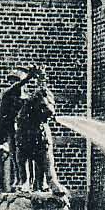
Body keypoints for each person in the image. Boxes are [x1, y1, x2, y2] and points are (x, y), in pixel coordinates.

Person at [13, 64, 68, 197]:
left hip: (40, 132)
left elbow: (46, 100)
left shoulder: (42, 94)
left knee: (46, 158)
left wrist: (41, 78)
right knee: (22, 157)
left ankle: (51, 182)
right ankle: (24, 182)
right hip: (25, 134)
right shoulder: (18, 98)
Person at [0, 65, 43, 192]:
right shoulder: (7, 95)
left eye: (16, 81)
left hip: (27, 132)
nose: (13, 84)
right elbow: (2, 120)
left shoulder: (28, 99)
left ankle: (35, 183)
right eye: (11, 81)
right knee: (16, 156)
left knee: (32, 157)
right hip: (12, 131)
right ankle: (20, 180)